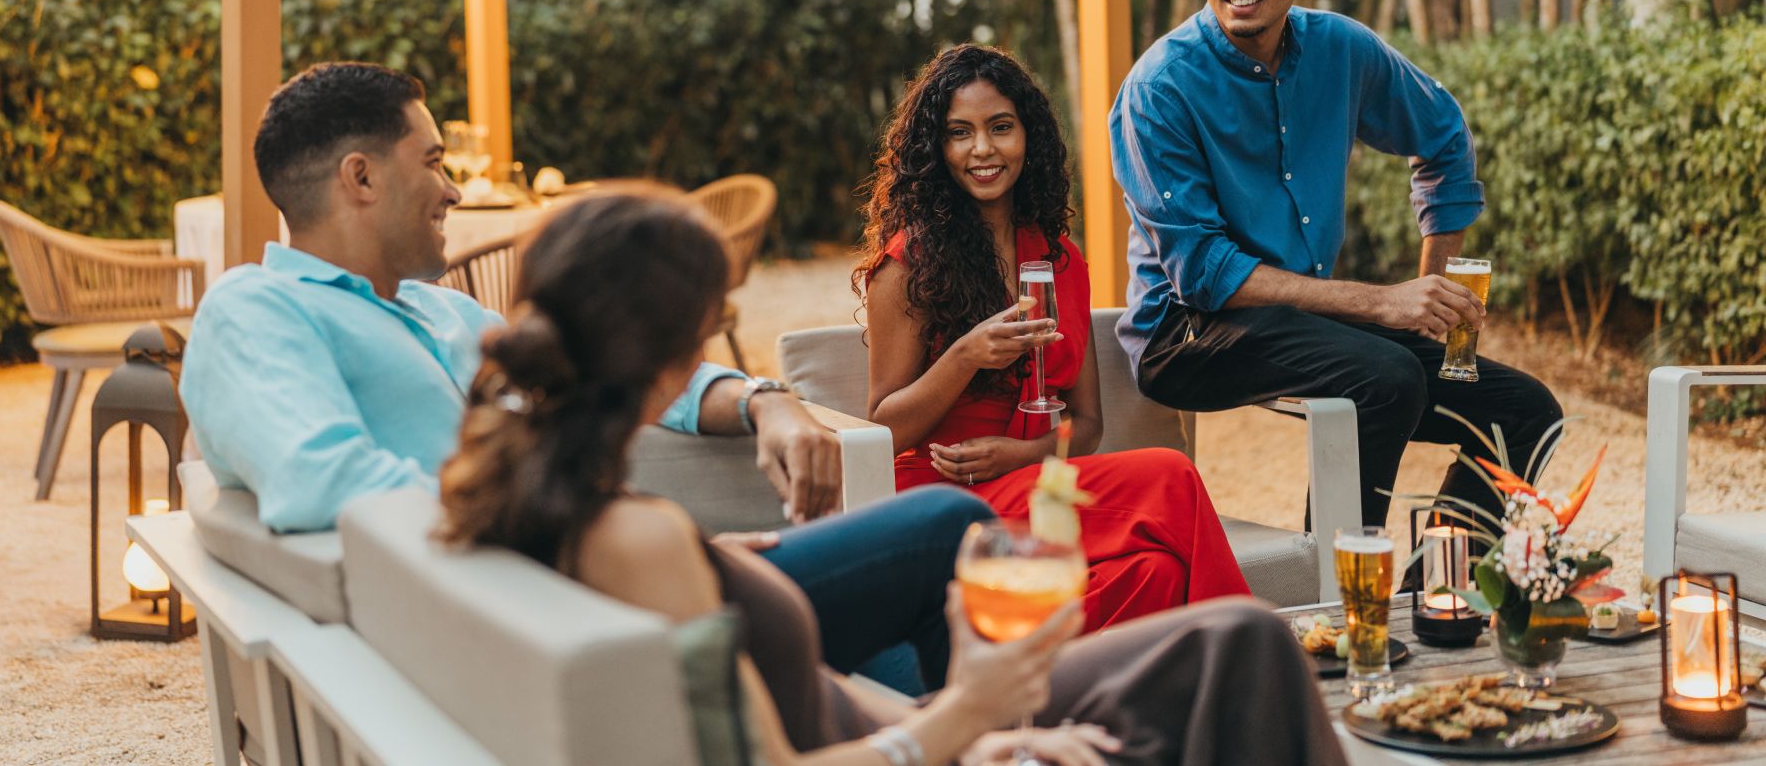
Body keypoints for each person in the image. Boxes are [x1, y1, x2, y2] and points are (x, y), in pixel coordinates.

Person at [441, 187, 1347, 766]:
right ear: (674, 359)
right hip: (922, 738)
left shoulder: (521, 496)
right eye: (712, 322)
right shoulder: (636, 544)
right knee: (1241, 643)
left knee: (1223, 646)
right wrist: (964, 720)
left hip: (895, 723)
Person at [180, 61, 991, 689]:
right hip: (544, 623)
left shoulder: (441, 310)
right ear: (360, 178)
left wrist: (765, 402)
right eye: (432, 162)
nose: (453, 189)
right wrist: (603, 541)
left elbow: (613, 370)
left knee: (916, 627)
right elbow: (324, 481)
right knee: (946, 527)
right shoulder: (257, 309)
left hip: (599, 590)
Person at [1110, 0, 1563, 531]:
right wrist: (1384, 303)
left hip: (1303, 320)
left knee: (1526, 413)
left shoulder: (1340, 49)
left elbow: (1443, 135)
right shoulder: (1160, 87)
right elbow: (1204, 273)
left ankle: (1438, 577)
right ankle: (1340, 583)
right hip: (1185, 332)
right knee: (1386, 377)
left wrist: (1431, 294)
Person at [855, 44, 1250, 632]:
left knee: (1155, 572)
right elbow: (882, 431)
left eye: (1001, 127)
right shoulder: (909, 263)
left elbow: (1086, 425)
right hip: (945, 501)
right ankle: (1253, 651)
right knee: (1172, 476)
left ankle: (1066, 680)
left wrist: (1019, 454)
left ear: (1028, 136)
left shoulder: (1060, 260)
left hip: (1035, 481)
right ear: (936, 148)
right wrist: (965, 355)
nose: (982, 149)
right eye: (960, 132)